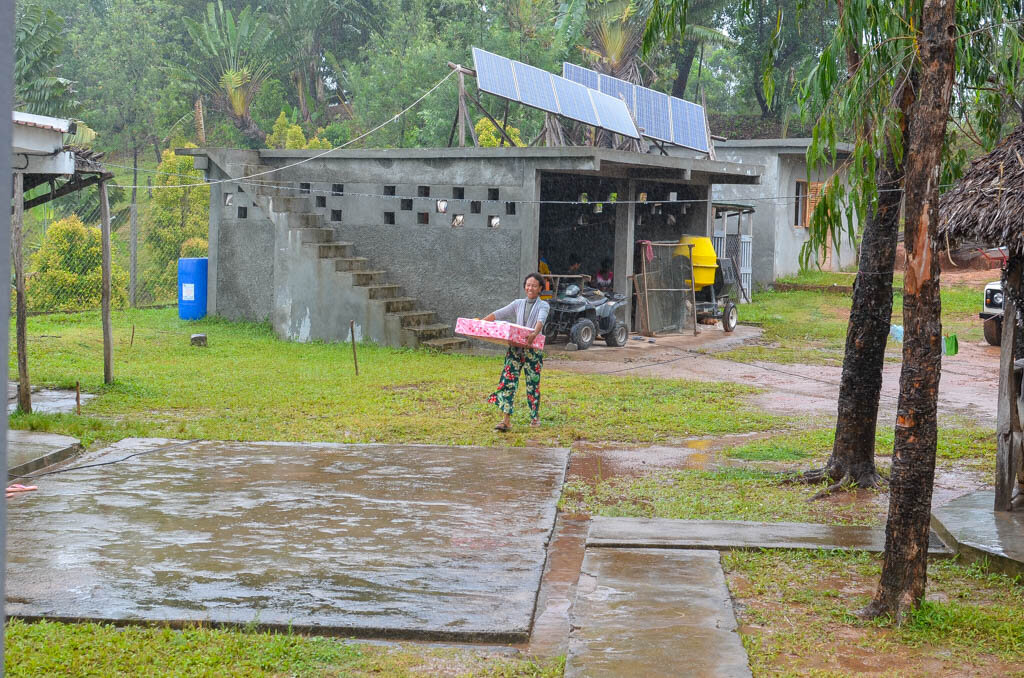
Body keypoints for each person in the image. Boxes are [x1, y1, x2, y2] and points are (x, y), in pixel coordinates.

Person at [483, 273, 550, 431]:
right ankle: (505, 420)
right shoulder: (517, 303)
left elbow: (541, 320)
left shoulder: (543, 305)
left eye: (534, 285)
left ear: (540, 288)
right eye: (528, 285)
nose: (530, 288)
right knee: (508, 382)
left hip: (533, 351)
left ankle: (534, 417)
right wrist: (481, 322)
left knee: (532, 384)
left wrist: (534, 333)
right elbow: (499, 313)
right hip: (515, 349)